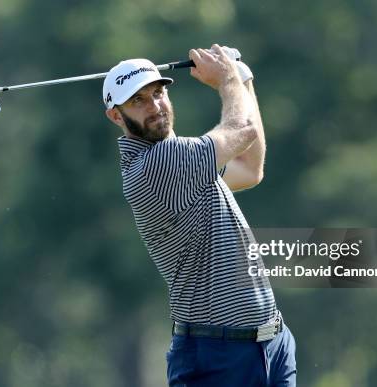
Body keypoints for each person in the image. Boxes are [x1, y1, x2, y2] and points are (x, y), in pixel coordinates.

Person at [103, 44, 297, 386]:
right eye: (138, 101)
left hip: (271, 344)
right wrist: (226, 81)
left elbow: (249, 169)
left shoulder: (188, 167)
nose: (155, 107)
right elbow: (242, 129)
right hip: (216, 356)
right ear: (116, 116)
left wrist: (243, 80)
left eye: (158, 93)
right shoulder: (158, 164)